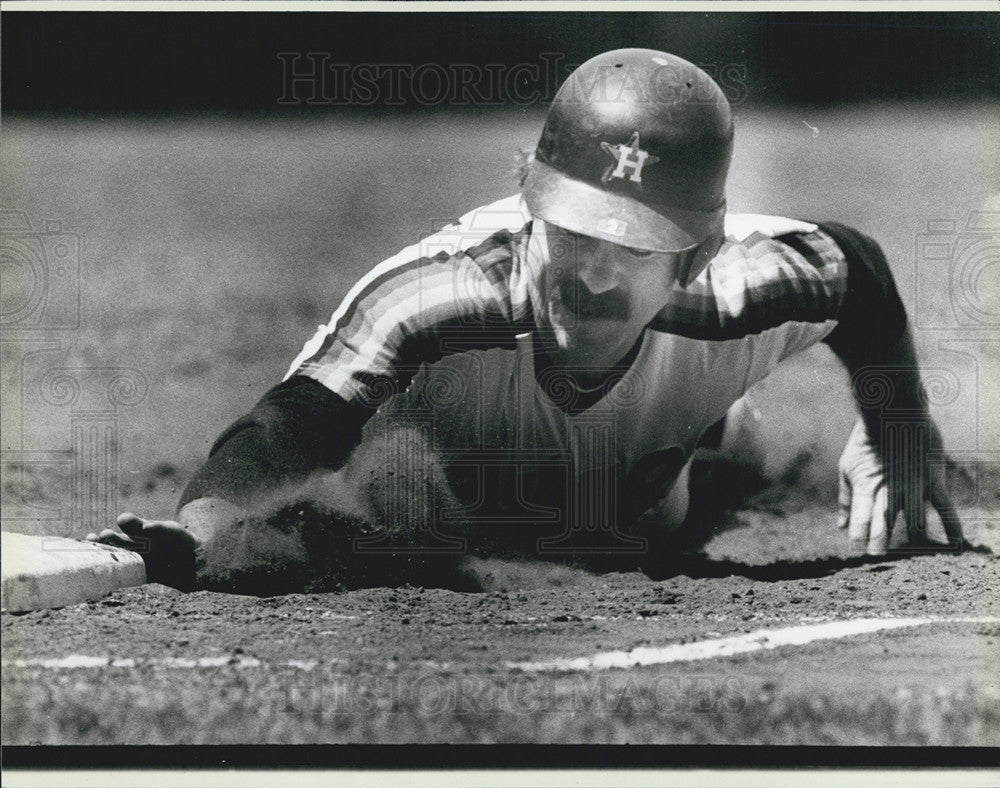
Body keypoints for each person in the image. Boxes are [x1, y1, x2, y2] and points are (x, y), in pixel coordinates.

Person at [90, 48, 964, 593]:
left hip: (638, 496)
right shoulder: (441, 297)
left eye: (632, 244)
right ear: (528, 197)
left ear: (694, 259)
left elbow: (861, 272)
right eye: (575, 229)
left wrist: (898, 422)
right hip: (466, 490)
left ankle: (723, 429)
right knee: (408, 501)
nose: (591, 267)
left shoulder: (737, 291)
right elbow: (297, 419)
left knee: (692, 483)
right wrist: (202, 525)